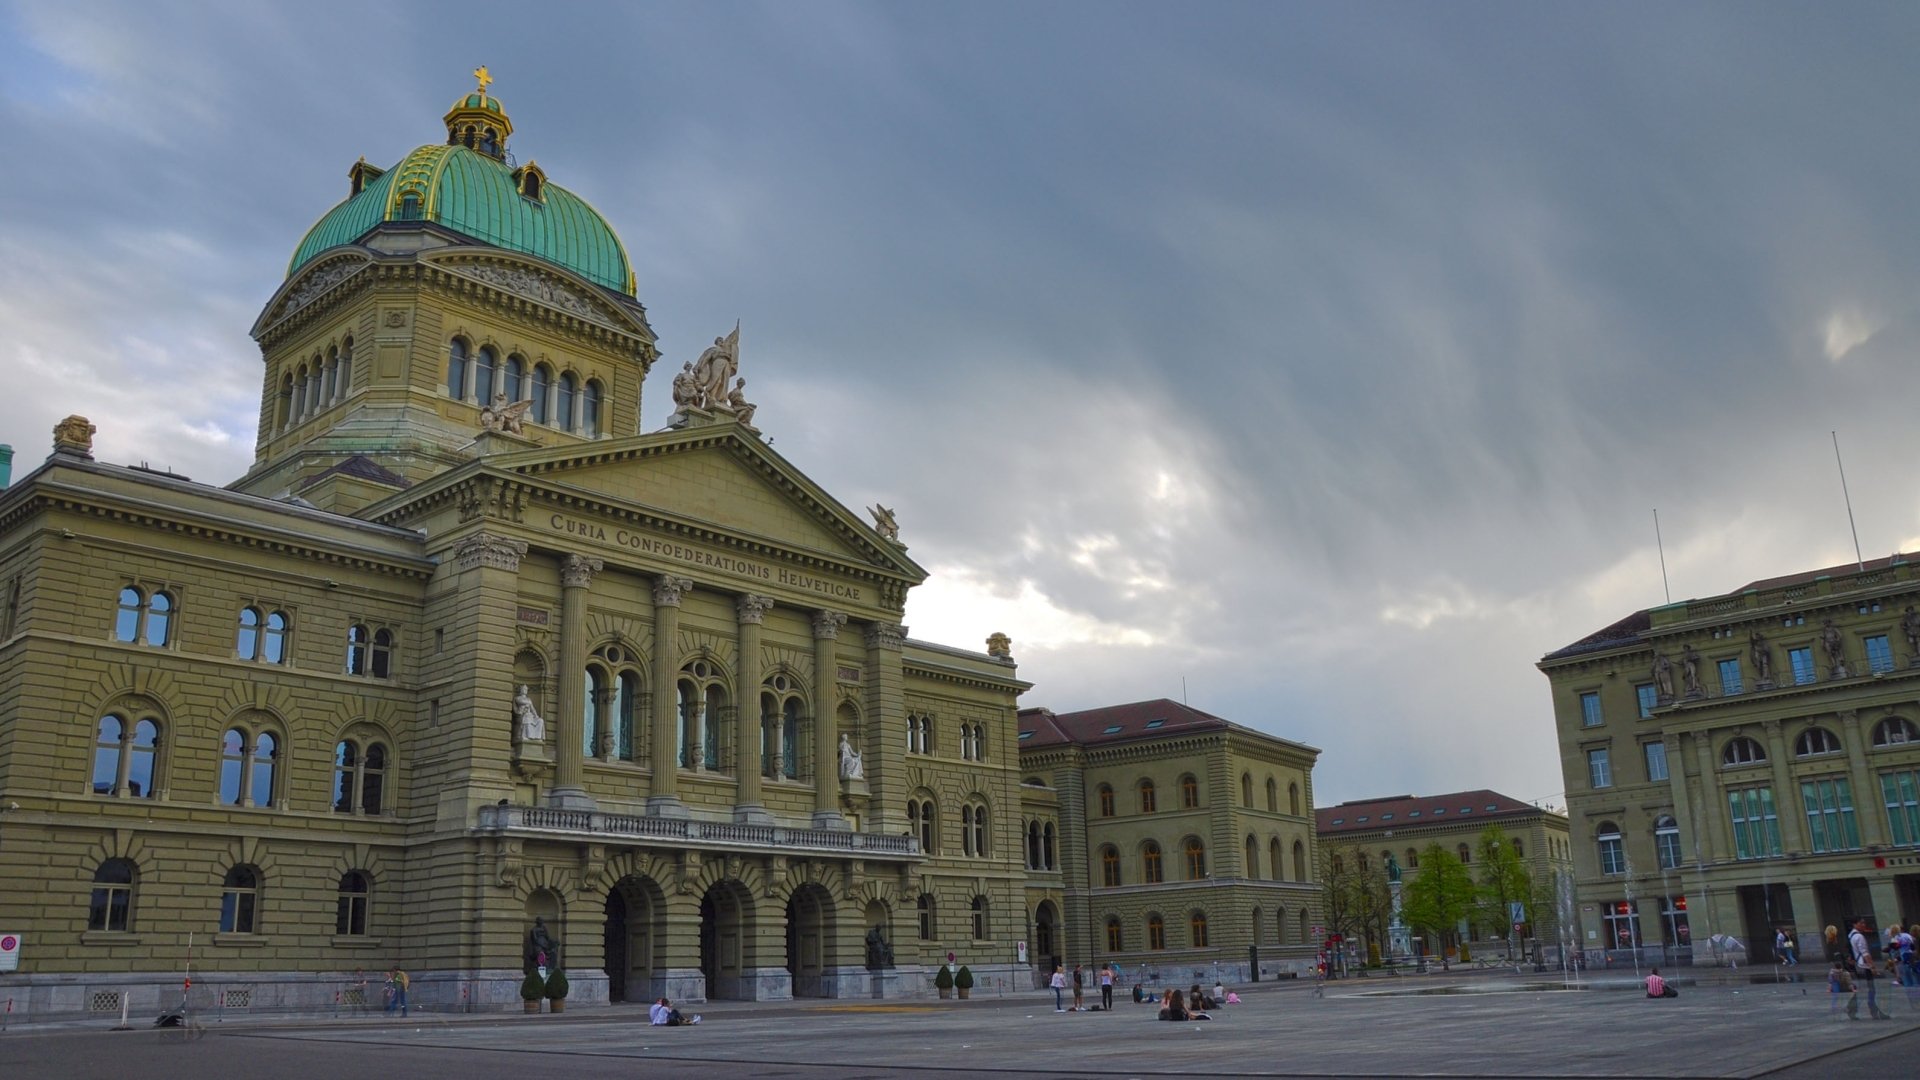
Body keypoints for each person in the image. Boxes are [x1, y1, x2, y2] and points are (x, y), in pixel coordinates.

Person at [1849, 918, 1889, 1020]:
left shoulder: (1851, 935)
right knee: (1870, 990)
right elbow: (1865, 953)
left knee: (1865, 990)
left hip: (1859, 966)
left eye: (1864, 922)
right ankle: (1873, 1012)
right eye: (1861, 923)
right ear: (1854, 924)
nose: (1863, 924)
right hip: (1864, 966)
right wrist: (1872, 967)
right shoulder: (1859, 936)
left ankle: (1852, 1009)